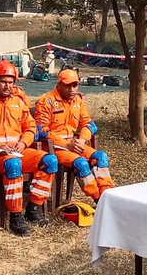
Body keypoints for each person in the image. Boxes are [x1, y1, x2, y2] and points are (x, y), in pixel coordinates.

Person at [0, 60, 59, 236]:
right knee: (13, 165)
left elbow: (32, 128)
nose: (8, 86)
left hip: (18, 150)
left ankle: (33, 209)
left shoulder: (18, 103)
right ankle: (16, 216)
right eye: (4, 82)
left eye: (11, 82)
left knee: (50, 160)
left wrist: (23, 142)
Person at [33, 69, 114, 208]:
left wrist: (82, 140)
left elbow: (89, 124)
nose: (71, 89)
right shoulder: (46, 101)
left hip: (75, 143)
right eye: (67, 85)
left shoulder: (78, 101)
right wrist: (67, 145)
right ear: (59, 85)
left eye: (75, 85)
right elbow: (41, 132)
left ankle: (108, 197)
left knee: (101, 157)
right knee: (81, 163)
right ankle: (98, 200)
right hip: (54, 148)